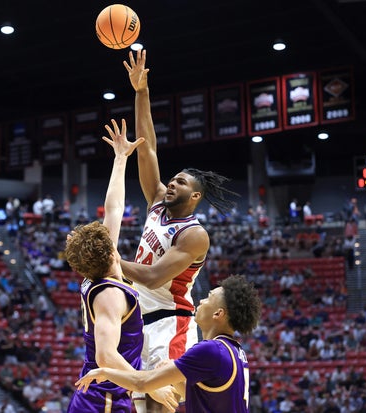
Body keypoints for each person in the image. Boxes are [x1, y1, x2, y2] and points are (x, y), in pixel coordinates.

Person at [121, 49, 237, 412]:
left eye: (180, 182)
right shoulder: (157, 201)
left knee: (167, 406)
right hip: (140, 323)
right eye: (171, 180)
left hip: (172, 325)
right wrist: (141, 92)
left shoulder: (194, 234)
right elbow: (148, 149)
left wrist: (108, 259)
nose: (170, 184)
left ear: (195, 195)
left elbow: (155, 277)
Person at [64, 119, 176, 413]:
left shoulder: (97, 274)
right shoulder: (111, 296)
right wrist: (150, 382)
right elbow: (105, 356)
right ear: (112, 254)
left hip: (104, 399)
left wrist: (120, 158)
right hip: (103, 403)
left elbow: (113, 208)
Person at [76, 274, 262, 413]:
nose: (201, 301)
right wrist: (177, 379)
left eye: (208, 298)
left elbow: (142, 383)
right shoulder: (235, 351)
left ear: (218, 314)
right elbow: (205, 399)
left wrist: (105, 371)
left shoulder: (211, 350)